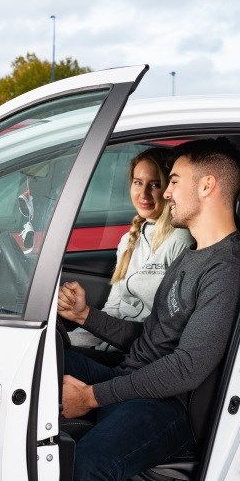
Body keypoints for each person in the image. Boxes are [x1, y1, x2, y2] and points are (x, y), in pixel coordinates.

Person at [57, 137, 240, 481]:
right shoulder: (193, 254)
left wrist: (93, 397)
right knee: (40, 355)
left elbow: (187, 367)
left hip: (168, 407)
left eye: (175, 181)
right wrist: (86, 316)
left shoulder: (224, 267)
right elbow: (151, 337)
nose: (165, 194)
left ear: (207, 186)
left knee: (89, 470)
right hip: (135, 378)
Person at [69, 147, 193, 352]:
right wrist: (69, 341)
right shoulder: (128, 240)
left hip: (141, 353)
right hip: (113, 344)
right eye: (138, 183)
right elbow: (113, 310)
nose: (143, 194)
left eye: (155, 184)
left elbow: (172, 328)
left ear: (169, 189)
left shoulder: (180, 239)